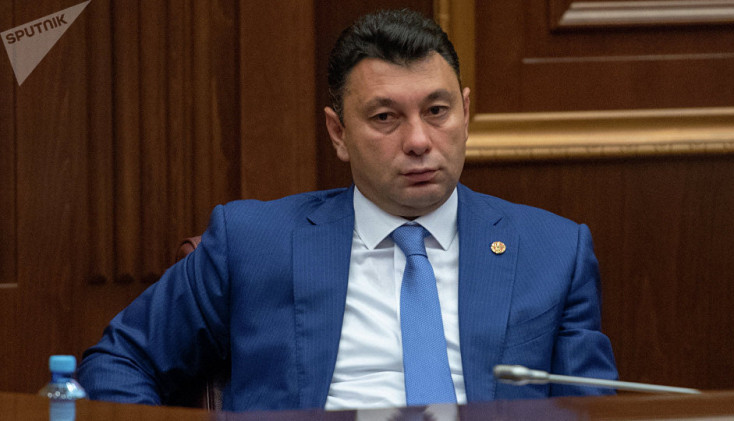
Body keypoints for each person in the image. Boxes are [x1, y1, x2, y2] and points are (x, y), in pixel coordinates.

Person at [78, 9, 617, 412]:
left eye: (437, 110)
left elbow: (593, 408)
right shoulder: (251, 242)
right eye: (385, 117)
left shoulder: (553, 251)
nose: (418, 140)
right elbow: (119, 361)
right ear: (338, 133)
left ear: (466, 112)